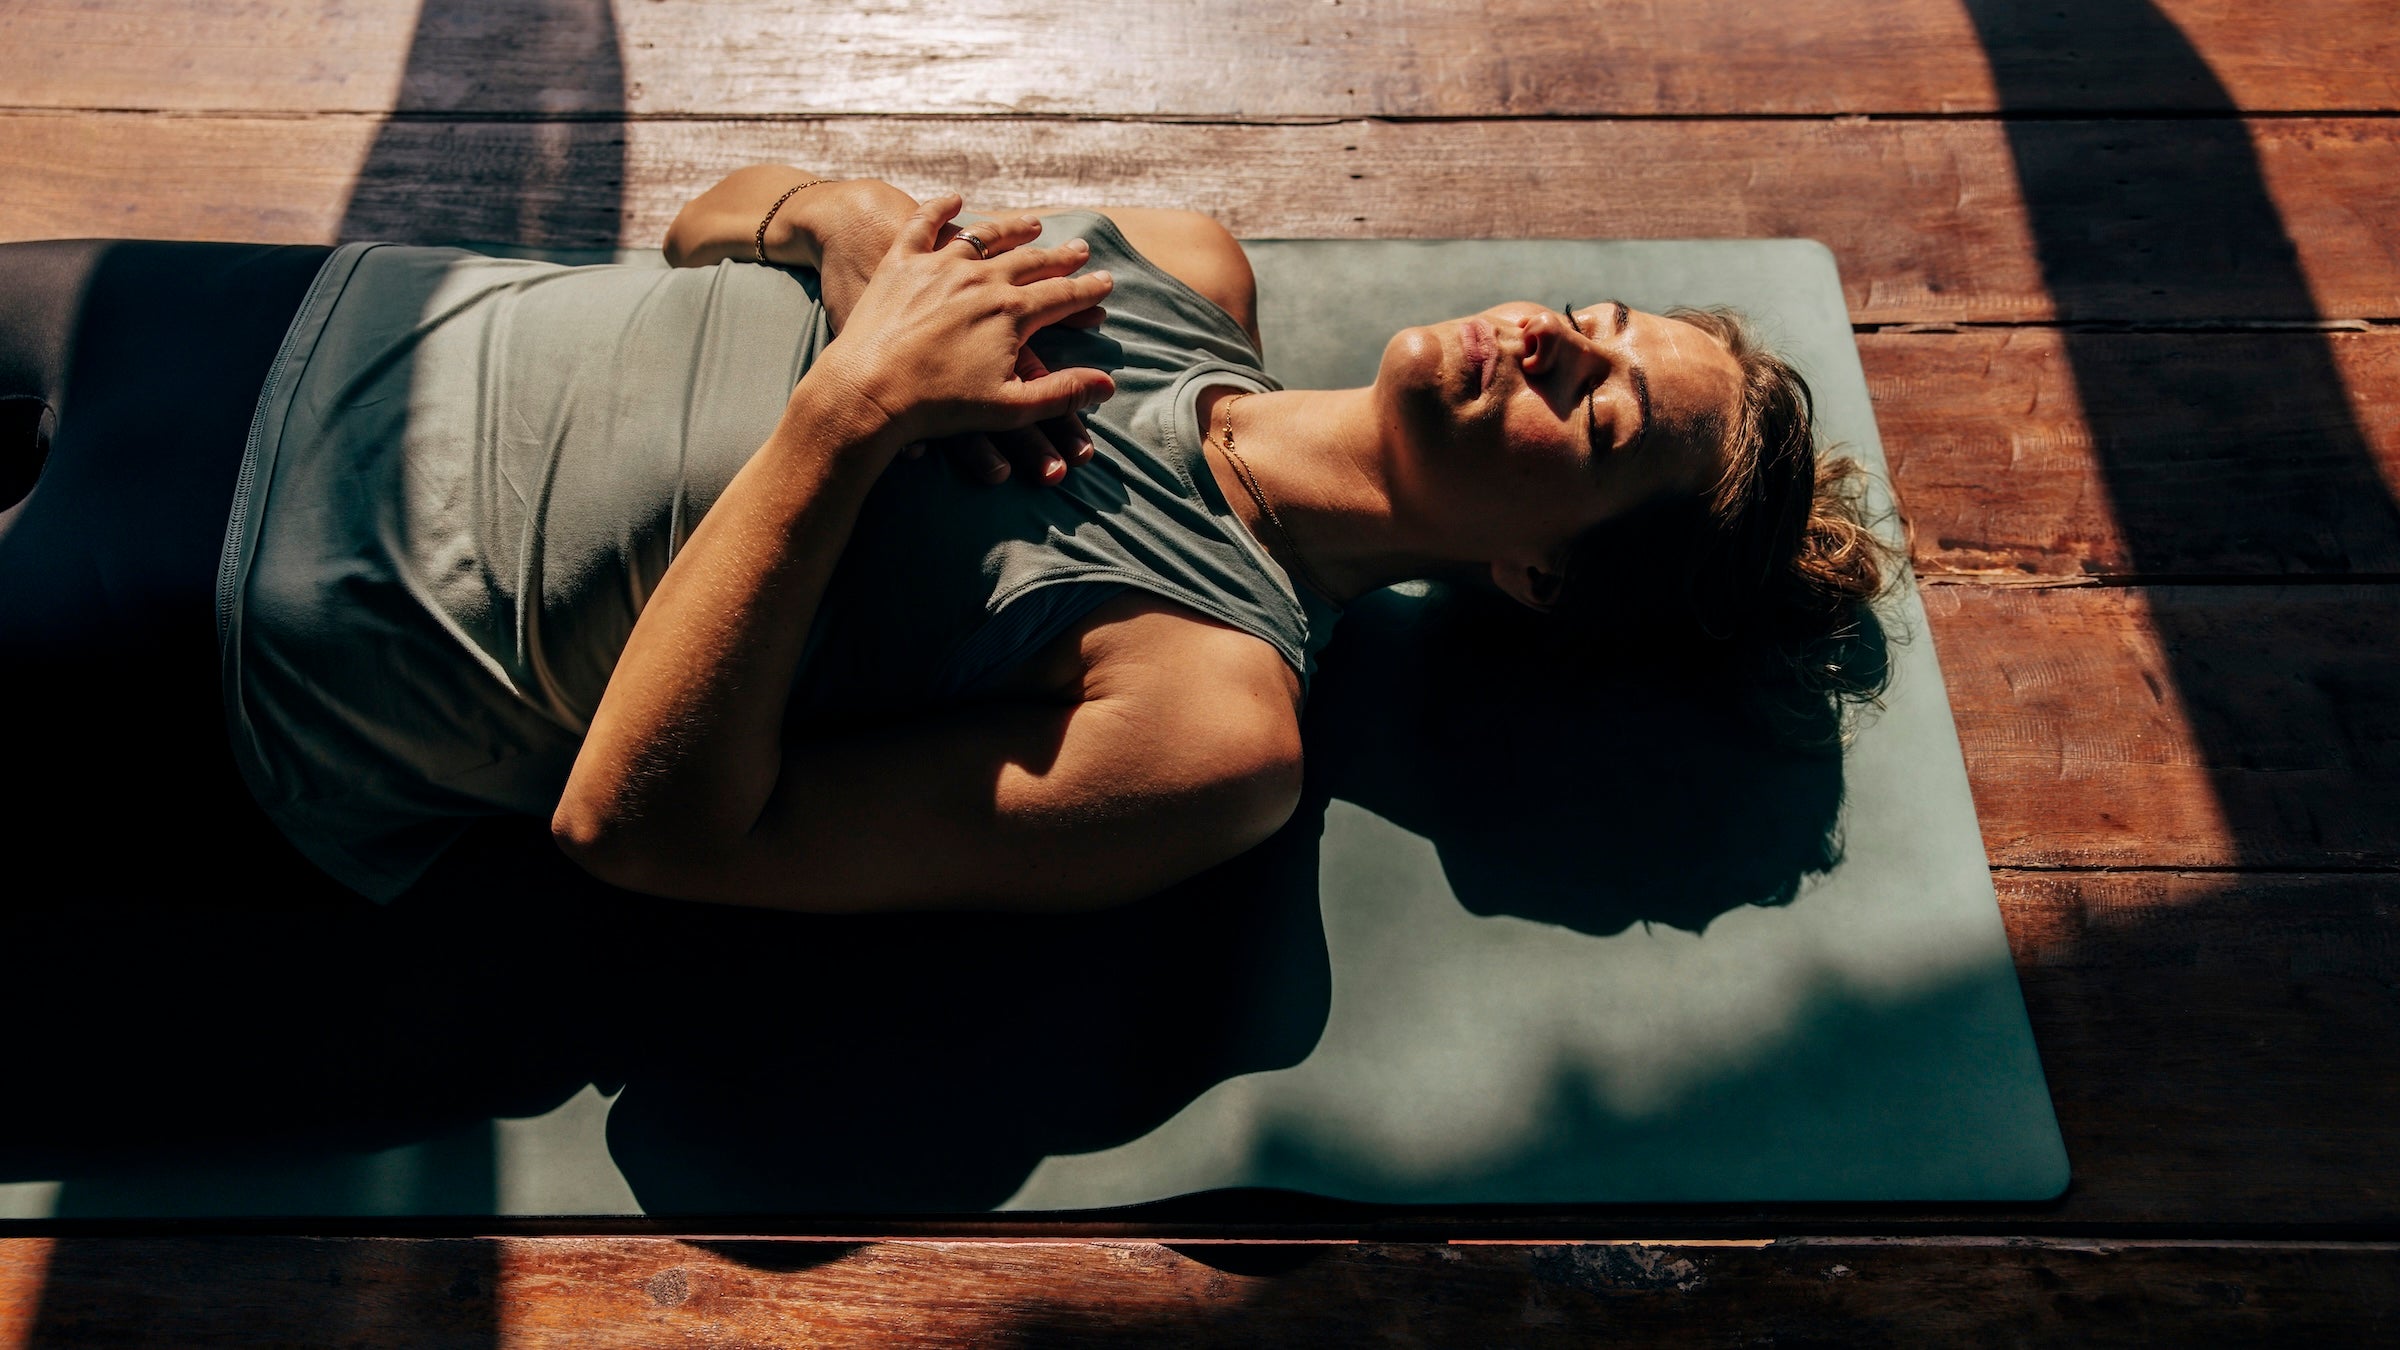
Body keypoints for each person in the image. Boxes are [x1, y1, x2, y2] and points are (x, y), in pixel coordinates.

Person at [0, 171, 1889, 916]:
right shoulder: (1183, 266)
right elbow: (701, 223)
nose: (1557, 336)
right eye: (1605, 319)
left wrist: (853, 414)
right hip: (327, 319)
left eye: (1602, 413)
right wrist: (845, 234)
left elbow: (646, 835)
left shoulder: (1211, 716)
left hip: (274, 615)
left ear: (1542, 573)